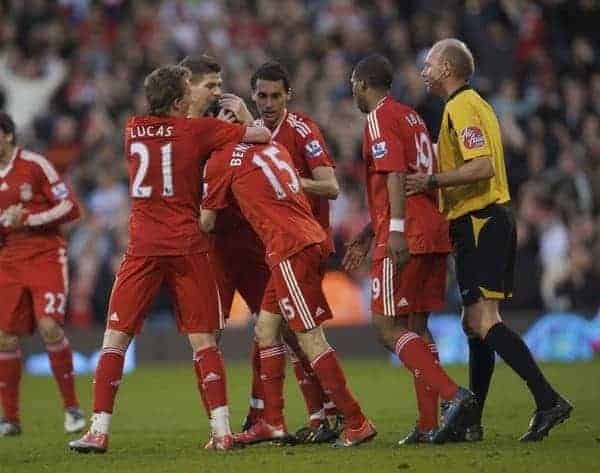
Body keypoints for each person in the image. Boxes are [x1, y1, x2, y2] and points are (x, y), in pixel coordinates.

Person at [69, 65, 270, 453]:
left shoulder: (132, 129)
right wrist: (240, 119)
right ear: (180, 100)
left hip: (142, 246)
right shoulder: (197, 131)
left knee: (114, 338)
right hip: (186, 245)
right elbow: (258, 136)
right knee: (203, 341)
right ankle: (223, 432)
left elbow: (164, 141)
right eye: (190, 91)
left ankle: (97, 430)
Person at [407, 38, 572, 442]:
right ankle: (472, 419)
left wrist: (431, 180)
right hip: (488, 218)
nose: (424, 71)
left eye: (429, 64)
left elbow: (480, 166)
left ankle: (547, 399)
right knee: (472, 323)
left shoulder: (460, 106)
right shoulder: (478, 104)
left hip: (480, 218)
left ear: (447, 69)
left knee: (483, 321)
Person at [201, 142, 376, 447]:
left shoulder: (222, 160)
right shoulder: (269, 146)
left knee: (310, 338)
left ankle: (356, 420)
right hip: (301, 239)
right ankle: (273, 421)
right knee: (266, 330)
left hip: (290, 248)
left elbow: (207, 221)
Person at [345, 54, 469, 444]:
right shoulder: (412, 117)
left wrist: (393, 230)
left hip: (407, 232)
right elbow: (405, 178)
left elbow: (395, 173)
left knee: (386, 327)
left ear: (362, 83)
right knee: (417, 328)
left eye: (353, 85)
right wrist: (370, 229)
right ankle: (429, 424)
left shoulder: (379, 117)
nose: (353, 92)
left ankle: (454, 396)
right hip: (431, 229)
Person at [247, 61, 342, 443]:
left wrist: (286, 181)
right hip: (276, 249)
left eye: (275, 96)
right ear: (253, 96)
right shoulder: (251, 135)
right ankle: (320, 416)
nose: (268, 103)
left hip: (304, 244)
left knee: (301, 331)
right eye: (262, 96)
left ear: (289, 95)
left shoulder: (301, 129)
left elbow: (330, 186)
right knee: (284, 332)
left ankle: (335, 416)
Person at [0, 112, 85, 437]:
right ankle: (10, 418)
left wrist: (29, 218)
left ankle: (72, 409)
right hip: (8, 259)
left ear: (6, 134)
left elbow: (71, 207)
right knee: (5, 336)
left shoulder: (35, 164)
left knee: (50, 326)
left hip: (45, 255)